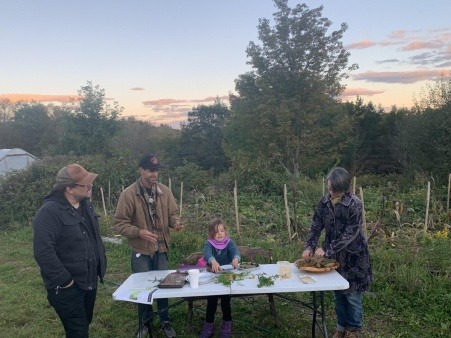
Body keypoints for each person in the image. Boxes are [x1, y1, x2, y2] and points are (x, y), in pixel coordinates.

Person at [33, 163, 107, 338]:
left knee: (84, 325)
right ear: (69, 189)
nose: (90, 185)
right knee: (78, 331)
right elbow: (43, 252)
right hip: (67, 287)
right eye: (85, 184)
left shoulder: (85, 205)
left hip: (89, 280)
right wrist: (65, 281)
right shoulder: (49, 212)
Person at [115, 153, 183, 338]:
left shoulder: (165, 191)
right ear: (141, 170)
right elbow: (120, 224)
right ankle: (144, 323)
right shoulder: (128, 194)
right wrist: (138, 232)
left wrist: (175, 222)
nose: (155, 174)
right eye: (151, 170)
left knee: (165, 286)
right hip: (141, 250)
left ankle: (165, 321)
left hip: (161, 248)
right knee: (142, 288)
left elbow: (173, 214)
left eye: (157, 171)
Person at [302, 167, 373, 338]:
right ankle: (341, 328)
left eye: (334, 189)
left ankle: (354, 330)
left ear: (343, 187)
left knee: (352, 296)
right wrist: (310, 246)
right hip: (334, 258)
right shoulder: (324, 202)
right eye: (329, 187)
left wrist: (326, 249)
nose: (330, 191)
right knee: (338, 294)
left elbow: (350, 233)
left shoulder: (354, 204)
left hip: (354, 257)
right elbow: (316, 226)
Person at [199, 218, 241, 338]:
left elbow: (235, 252)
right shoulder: (209, 243)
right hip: (212, 276)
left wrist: (236, 259)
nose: (219, 234)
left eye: (222, 231)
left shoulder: (229, 242)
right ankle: (209, 325)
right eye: (216, 232)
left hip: (226, 277)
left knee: (225, 301)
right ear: (211, 233)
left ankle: (227, 324)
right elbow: (207, 254)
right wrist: (212, 261)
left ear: (225, 231)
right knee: (211, 301)